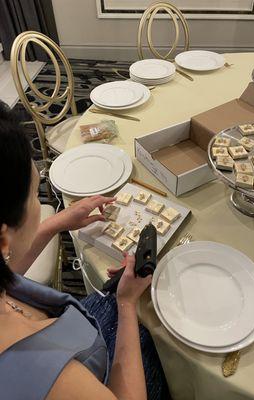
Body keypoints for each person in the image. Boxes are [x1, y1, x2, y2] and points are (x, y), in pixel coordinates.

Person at [0, 101, 168, 400]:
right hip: (98, 370)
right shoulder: (49, 377)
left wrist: (57, 223)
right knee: (163, 345)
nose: (41, 208)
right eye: (34, 197)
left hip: (80, 335)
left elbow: (6, 270)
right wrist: (127, 304)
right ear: (3, 239)